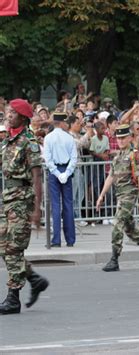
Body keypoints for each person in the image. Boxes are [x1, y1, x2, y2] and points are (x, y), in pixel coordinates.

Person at [0, 99, 49, 315]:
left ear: (23, 117)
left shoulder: (29, 142)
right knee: (3, 246)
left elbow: (37, 177)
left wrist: (37, 209)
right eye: (8, 111)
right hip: (7, 198)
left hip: (22, 199)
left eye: (12, 112)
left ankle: (13, 298)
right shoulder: (7, 141)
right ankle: (34, 279)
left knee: (13, 248)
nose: (8, 115)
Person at [96, 124, 139, 272]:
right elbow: (111, 176)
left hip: (129, 195)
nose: (121, 141)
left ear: (129, 138)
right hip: (120, 195)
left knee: (117, 224)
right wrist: (101, 196)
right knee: (131, 231)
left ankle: (114, 259)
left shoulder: (134, 155)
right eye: (118, 138)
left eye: (123, 138)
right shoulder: (118, 157)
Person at [43, 112, 78, 247]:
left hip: (54, 172)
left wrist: (57, 173)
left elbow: (48, 159)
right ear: (62, 123)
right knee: (68, 205)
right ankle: (70, 239)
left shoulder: (48, 138)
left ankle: (56, 240)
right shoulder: (69, 138)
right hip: (66, 171)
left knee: (55, 205)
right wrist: (66, 173)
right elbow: (74, 158)